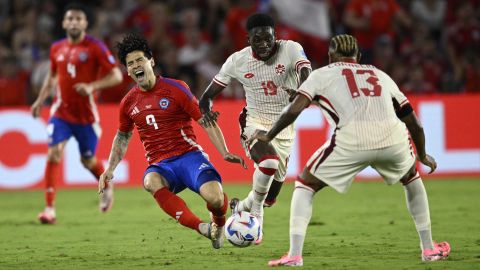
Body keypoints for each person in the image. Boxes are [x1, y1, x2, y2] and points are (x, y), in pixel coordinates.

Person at [247, 34, 451, 266]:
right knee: (412, 177)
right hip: (392, 137)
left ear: (330, 56)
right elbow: (414, 122)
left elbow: (294, 110)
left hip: (351, 138)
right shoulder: (380, 74)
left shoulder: (321, 74)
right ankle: (428, 249)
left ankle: (294, 255)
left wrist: (269, 134)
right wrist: (422, 155)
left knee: (305, 183)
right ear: (359, 56)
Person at [98, 33, 246, 249]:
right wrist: (110, 168)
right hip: (161, 165)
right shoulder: (128, 102)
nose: (136, 65)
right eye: (130, 64)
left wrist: (224, 151)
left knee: (215, 199)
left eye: (140, 60)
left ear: (152, 61)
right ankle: (202, 228)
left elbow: (204, 120)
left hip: (189, 157)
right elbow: (122, 136)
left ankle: (219, 224)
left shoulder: (176, 88)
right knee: (150, 181)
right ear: (128, 71)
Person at [199, 13, 311, 242]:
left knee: (270, 197)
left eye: (268, 39)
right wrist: (206, 109)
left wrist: (301, 90)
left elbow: (305, 73)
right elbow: (206, 97)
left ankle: (241, 206)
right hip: (254, 124)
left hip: (284, 129)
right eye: (257, 39)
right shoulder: (237, 61)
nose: (263, 44)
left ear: (275, 36)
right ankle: (256, 217)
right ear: (247, 39)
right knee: (268, 163)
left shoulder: (290, 49)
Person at [31, 3, 123, 224]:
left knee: (87, 159)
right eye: (70, 19)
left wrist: (92, 86)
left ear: (85, 23)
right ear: (64, 23)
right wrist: (40, 100)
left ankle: (107, 186)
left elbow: (117, 76)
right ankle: (49, 209)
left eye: (78, 19)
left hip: (86, 117)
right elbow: (52, 77)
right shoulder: (57, 49)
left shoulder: (95, 47)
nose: (73, 22)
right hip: (61, 113)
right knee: (54, 153)